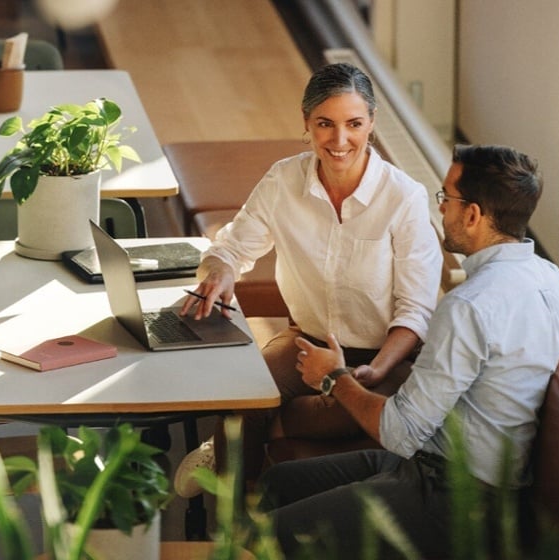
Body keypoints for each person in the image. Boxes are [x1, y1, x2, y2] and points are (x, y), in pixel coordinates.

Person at [256, 144, 559, 558]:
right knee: (277, 483)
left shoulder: (468, 307)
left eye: (446, 198)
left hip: (454, 500)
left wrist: (334, 377)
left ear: (474, 215)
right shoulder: (548, 279)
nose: (440, 209)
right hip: (438, 470)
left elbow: (398, 431)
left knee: (273, 534)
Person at [173, 63, 443, 497]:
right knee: (243, 393)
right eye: (325, 124)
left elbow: (416, 311)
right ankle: (234, 523)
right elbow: (232, 248)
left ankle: (256, 429)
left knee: (352, 411)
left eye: (354, 124)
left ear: (371, 123)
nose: (340, 141)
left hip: (386, 355)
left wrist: (371, 372)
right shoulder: (283, 180)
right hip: (307, 343)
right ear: (306, 123)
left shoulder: (404, 197)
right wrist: (221, 272)